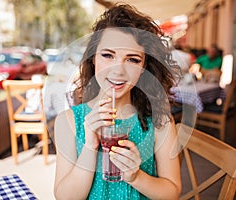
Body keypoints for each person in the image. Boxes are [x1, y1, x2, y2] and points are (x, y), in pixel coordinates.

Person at [53, 4, 182, 199]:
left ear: (144, 67)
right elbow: (65, 197)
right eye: (107, 55)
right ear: (93, 58)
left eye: (132, 60)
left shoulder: (160, 121)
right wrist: (89, 145)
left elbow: (172, 192)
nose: (118, 70)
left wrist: (136, 176)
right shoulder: (68, 121)